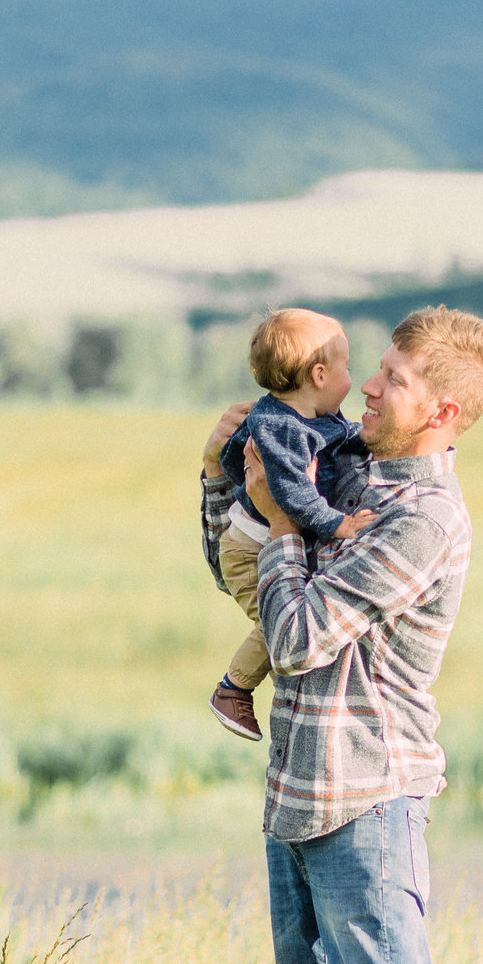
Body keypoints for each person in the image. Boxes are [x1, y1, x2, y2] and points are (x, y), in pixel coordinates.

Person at [198, 305, 483, 964]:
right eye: (377, 366)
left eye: (394, 378)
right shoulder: (348, 463)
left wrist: (287, 522)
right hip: (296, 793)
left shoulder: (424, 521)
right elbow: (243, 575)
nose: (368, 383)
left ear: (442, 411)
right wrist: (227, 480)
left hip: (368, 800)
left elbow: (293, 637)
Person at [206, 308, 375, 743]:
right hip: (248, 552)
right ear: (319, 374)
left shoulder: (311, 416)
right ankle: (233, 689)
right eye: (348, 368)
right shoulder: (280, 430)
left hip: (257, 542)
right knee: (277, 625)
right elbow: (295, 496)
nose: (355, 380)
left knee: (281, 618)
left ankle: (235, 688)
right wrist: (338, 525)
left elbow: (339, 437)